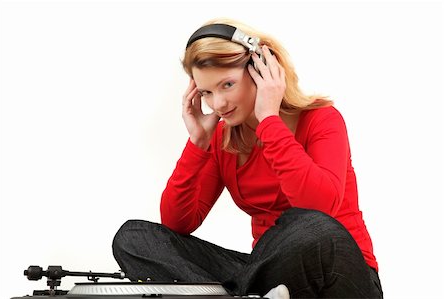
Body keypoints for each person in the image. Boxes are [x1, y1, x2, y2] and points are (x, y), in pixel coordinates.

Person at [112, 18, 383, 299]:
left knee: (311, 228)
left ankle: (241, 293)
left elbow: (319, 207)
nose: (218, 104)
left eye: (227, 84)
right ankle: (245, 296)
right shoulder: (222, 138)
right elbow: (177, 223)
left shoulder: (322, 119)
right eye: (207, 92)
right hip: (269, 279)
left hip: (339, 272)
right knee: (134, 238)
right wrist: (198, 144)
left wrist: (269, 118)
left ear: (261, 70)